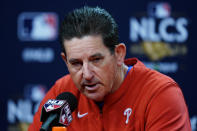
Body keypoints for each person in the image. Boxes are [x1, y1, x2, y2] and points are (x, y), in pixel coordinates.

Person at [29, 6, 191, 131]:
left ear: (119, 54)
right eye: (76, 63)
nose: (87, 74)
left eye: (96, 60)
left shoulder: (159, 94)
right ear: (65, 61)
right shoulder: (62, 93)